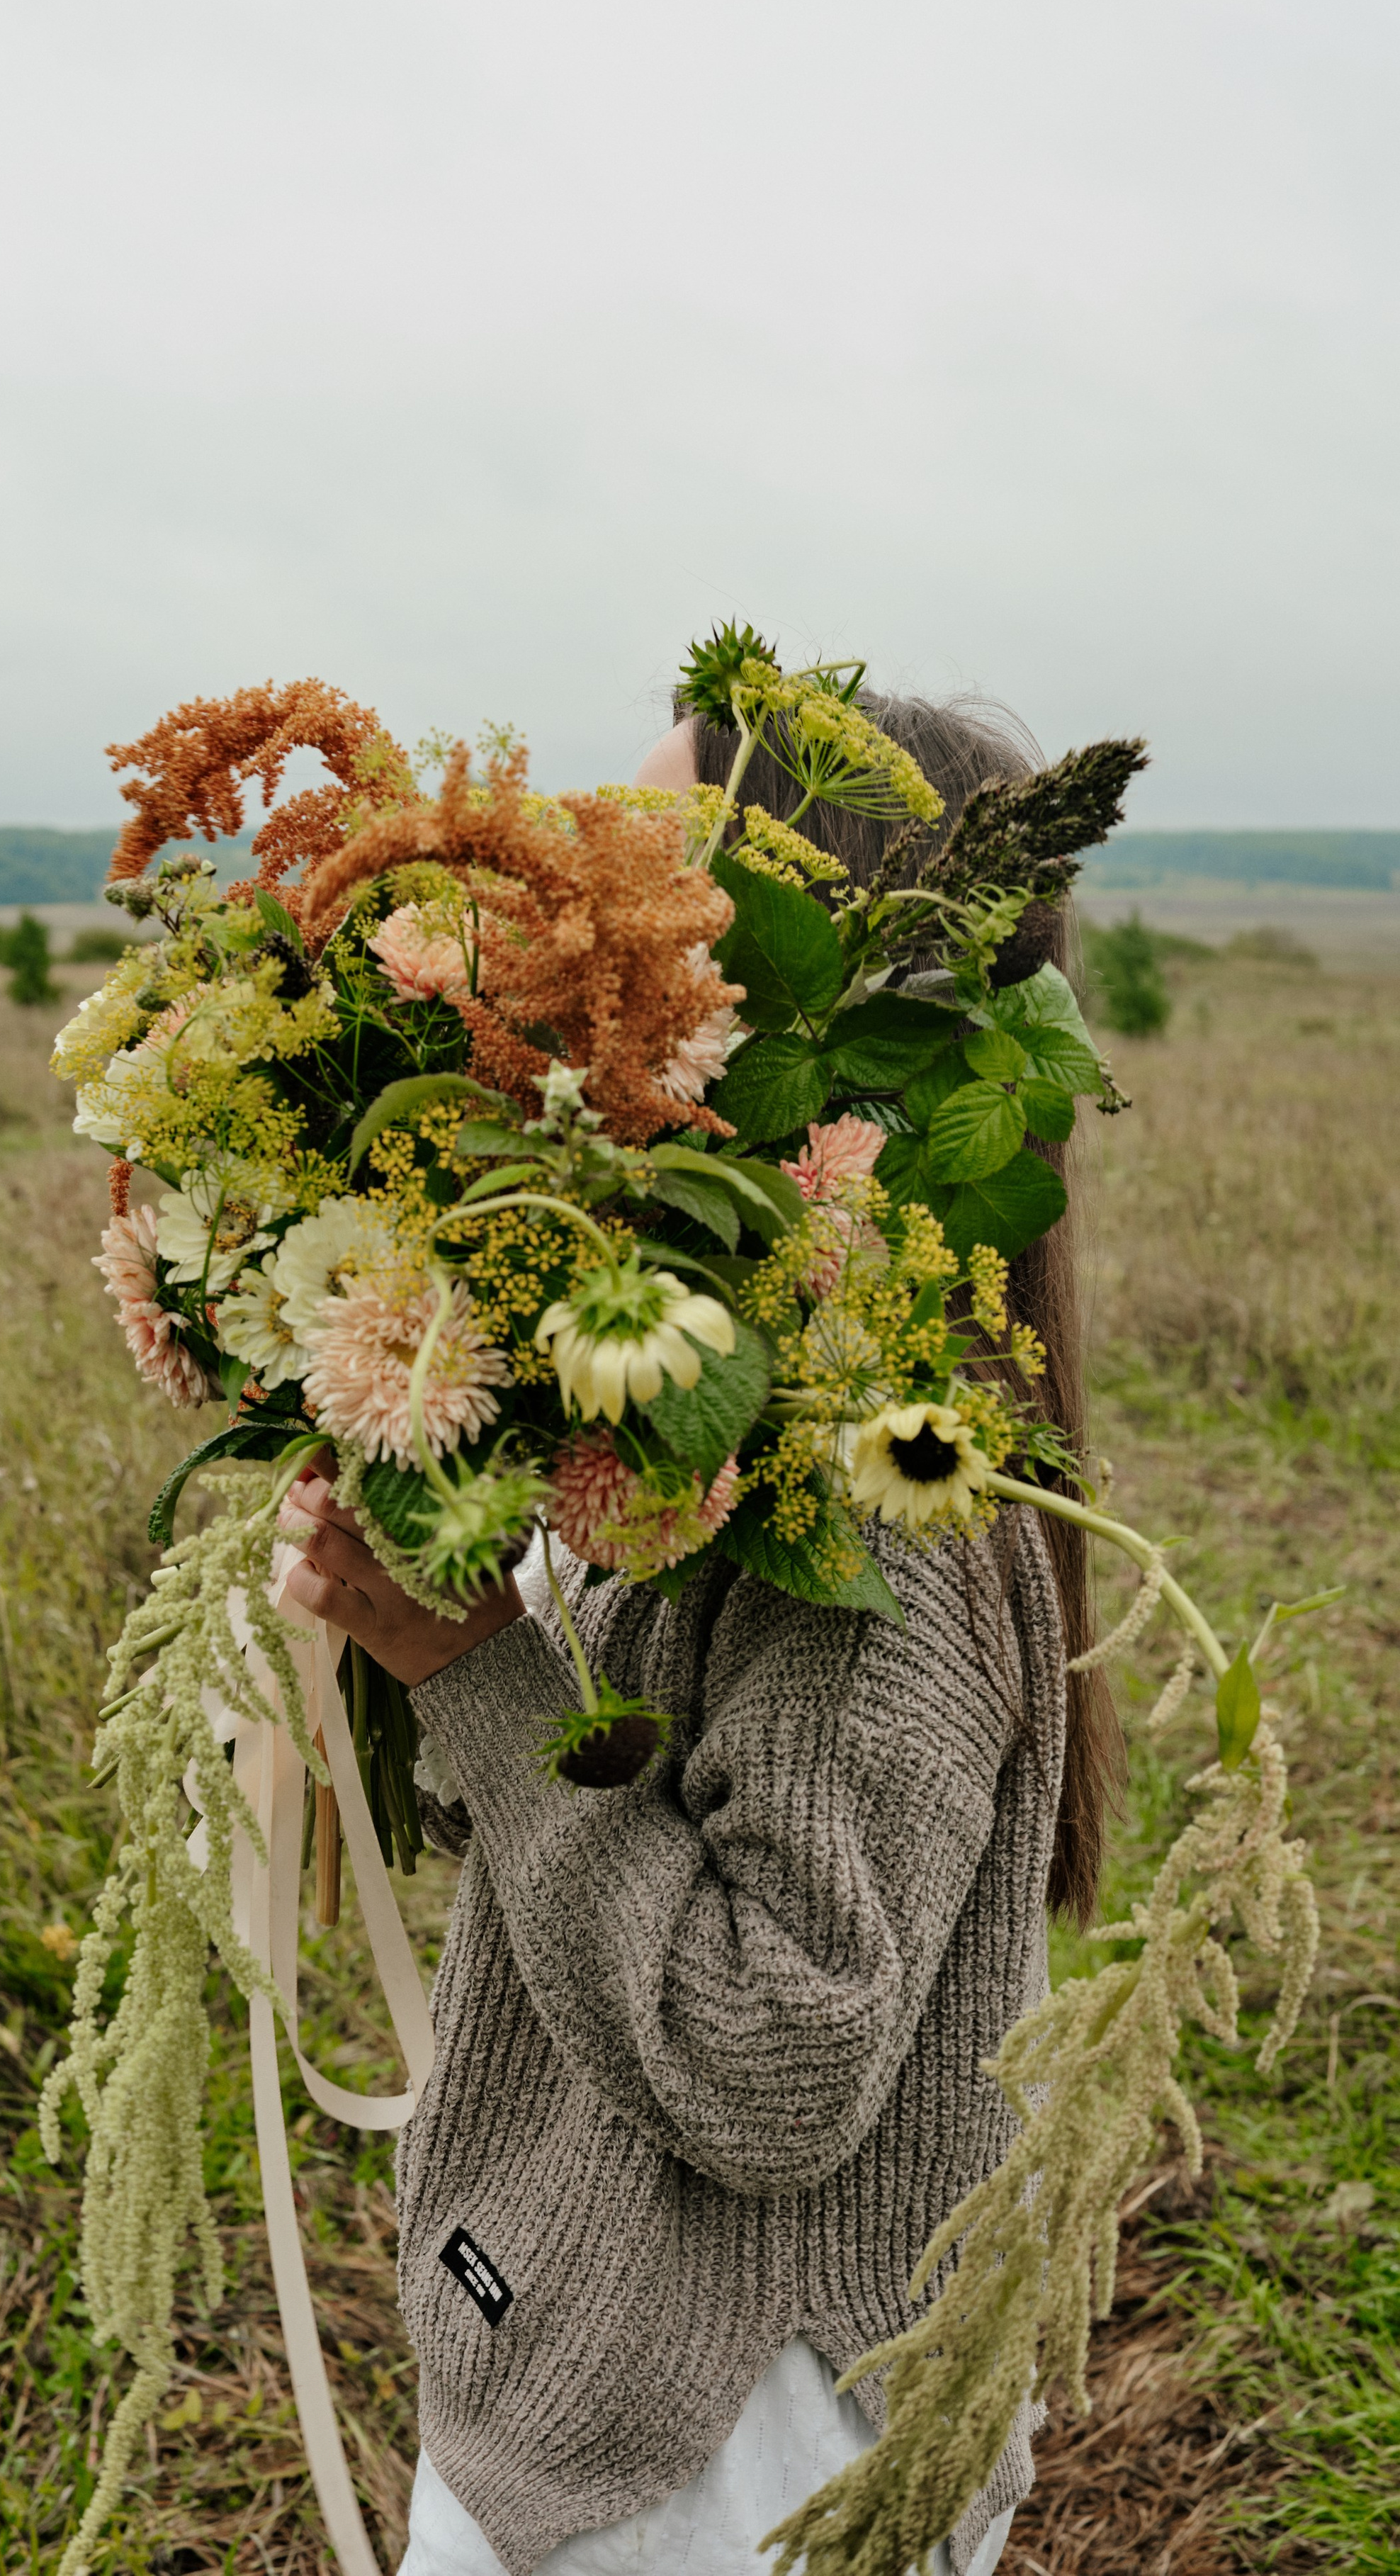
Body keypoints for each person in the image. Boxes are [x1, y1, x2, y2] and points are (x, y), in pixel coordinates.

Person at [280, 689, 1122, 2576]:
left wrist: (466, 1671)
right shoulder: (709, 1394)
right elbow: (613, 1789)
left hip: (711, 2461)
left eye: (630, 879)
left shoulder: (883, 1502)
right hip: (613, 2365)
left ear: (792, 993)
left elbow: (770, 2060)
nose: (553, 916)